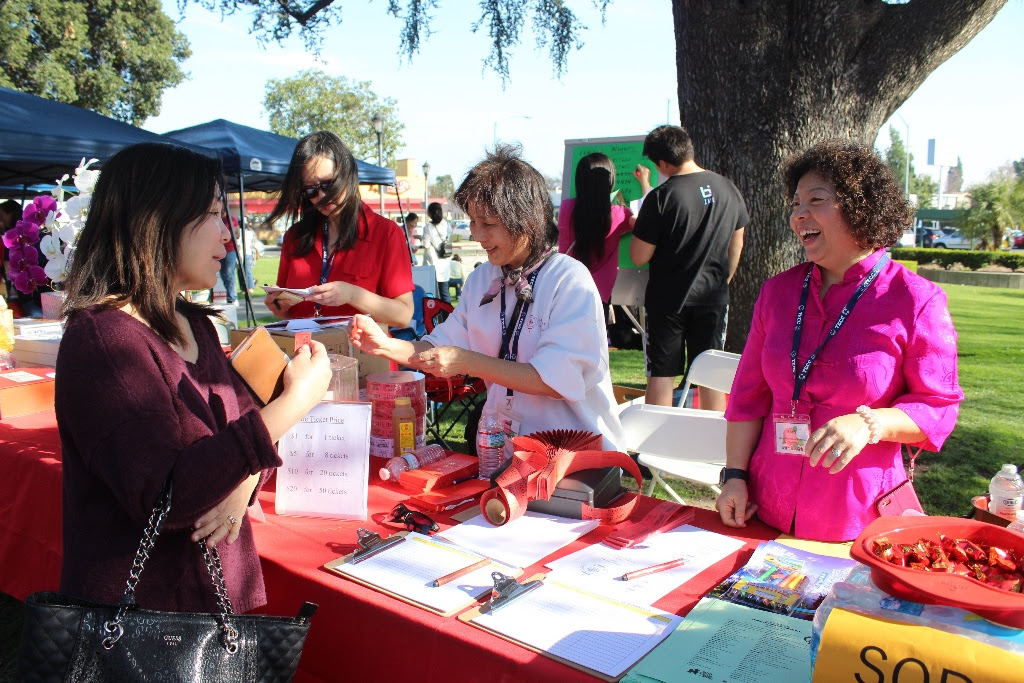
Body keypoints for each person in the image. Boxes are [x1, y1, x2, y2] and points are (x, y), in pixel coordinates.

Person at [55, 142, 331, 612]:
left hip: (217, 603)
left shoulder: (196, 324)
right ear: (157, 221)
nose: (228, 235)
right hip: (144, 622)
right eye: (212, 215)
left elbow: (247, 441)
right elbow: (168, 496)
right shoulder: (103, 344)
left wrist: (239, 484)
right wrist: (295, 402)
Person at [715, 140, 963, 543]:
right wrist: (735, 477)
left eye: (816, 200)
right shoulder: (777, 293)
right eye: (796, 203)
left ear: (860, 207)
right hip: (763, 511)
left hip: (859, 521)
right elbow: (747, 397)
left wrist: (871, 422)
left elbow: (938, 406)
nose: (799, 215)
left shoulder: (916, 300)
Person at [350, 145, 625, 449]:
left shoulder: (568, 280)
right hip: (509, 454)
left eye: (488, 224)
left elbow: (554, 381)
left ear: (529, 221)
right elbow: (439, 346)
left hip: (574, 456)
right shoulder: (483, 279)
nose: (477, 235)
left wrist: (467, 361)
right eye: (472, 222)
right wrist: (387, 346)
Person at [630, 125, 748, 410]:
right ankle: (712, 445)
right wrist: (723, 280)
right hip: (713, 297)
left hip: (667, 300)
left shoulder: (661, 196)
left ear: (663, 163)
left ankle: (654, 447)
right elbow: (737, 242)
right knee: (710, 377)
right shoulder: (727, 187)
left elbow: (638, 256)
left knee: (661, 375)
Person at [265, 131, 414, 327]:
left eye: (329, 184)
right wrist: (279, 306)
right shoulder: (295, 237)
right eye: (310, 189)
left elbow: (403, 315)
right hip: (308, 354)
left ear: (347, 173)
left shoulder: (385, 233)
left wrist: (352, 295)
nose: (321, 196)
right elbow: (292, 315)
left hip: (363, 356)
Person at [558, 153, 635, 319]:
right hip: (601, 295)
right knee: (597, 343)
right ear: (610, 181)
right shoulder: (620, 214)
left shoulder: (567, 208)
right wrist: (643, 183)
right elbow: (642, 225)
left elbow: (563, 247)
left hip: (569, 291)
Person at [423, 202, 453, 304]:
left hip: (433, 263)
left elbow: (426, 244)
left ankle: (436, 317)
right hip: (445, 263)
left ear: (430, 213)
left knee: (432, 294)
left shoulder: (428, 227)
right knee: (445, 292)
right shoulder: (447, 224)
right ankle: (448, 316)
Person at [217, 210, 239, 305]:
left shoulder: (231, 219)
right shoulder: (217, 219)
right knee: (223, 274)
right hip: (220, 249)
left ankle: (231, 297)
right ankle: (230, 295)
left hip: (231, 249)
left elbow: (237, 234)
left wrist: (229, 236)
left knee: (229, 273)